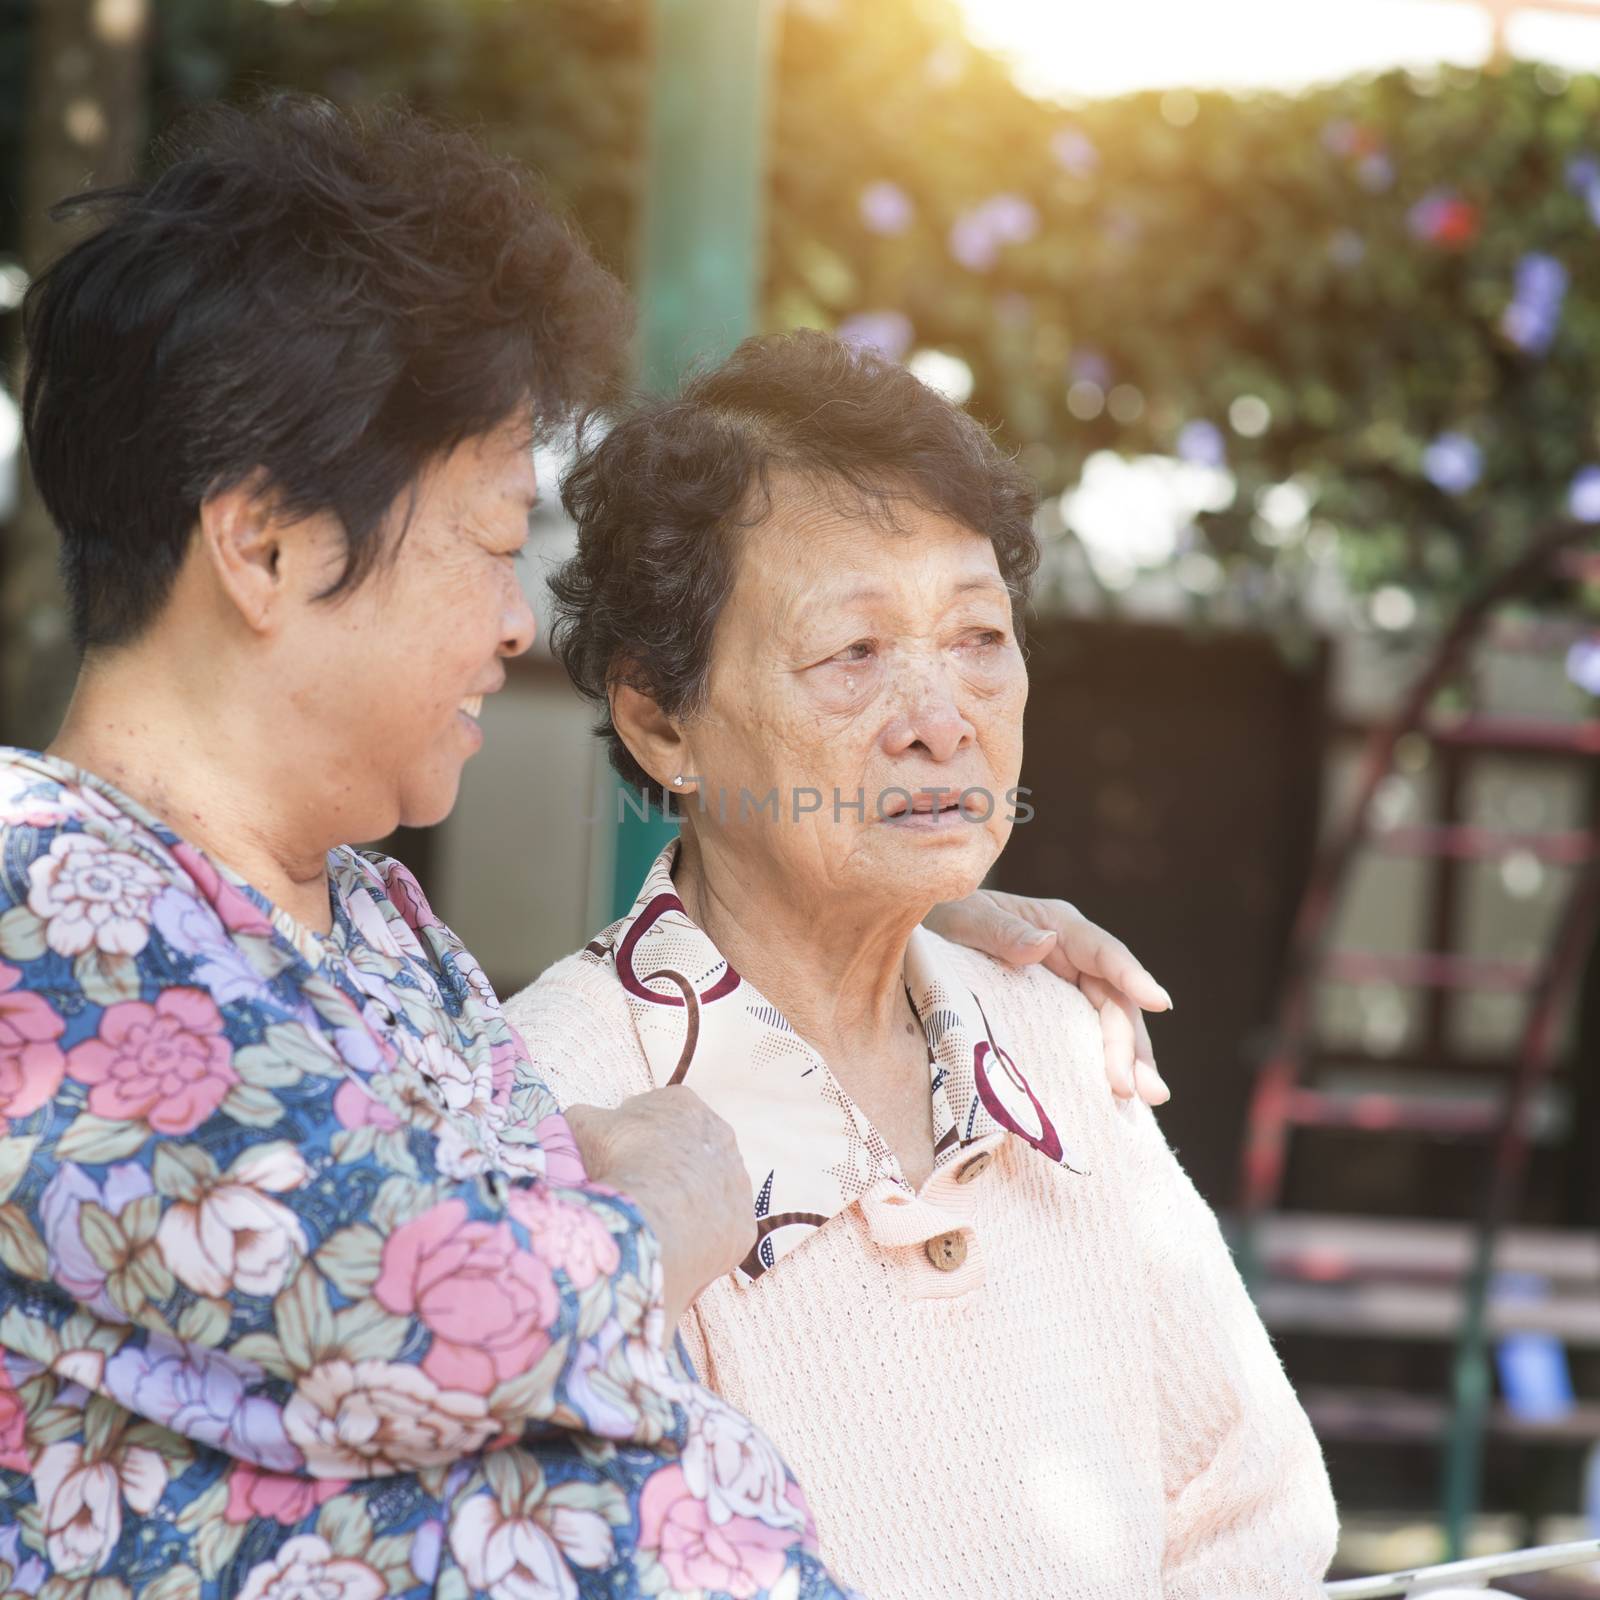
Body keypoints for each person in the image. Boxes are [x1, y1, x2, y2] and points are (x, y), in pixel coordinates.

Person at [0, 98, 1168, 1600]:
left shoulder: (373, 923)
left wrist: (917, 913)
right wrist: (666, 1201)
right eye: (491, 543)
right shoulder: (43, 885)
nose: (510, 622)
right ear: (269, 542)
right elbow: (442, 1329)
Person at [504, 330, 1340, 1600]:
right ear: (660, 720)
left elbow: (1252, 1514)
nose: (942, 717)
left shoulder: (1056, 1039)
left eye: (977, 637)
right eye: (853, 653)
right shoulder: (553, 1096)